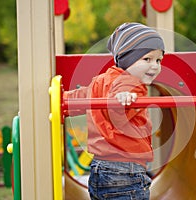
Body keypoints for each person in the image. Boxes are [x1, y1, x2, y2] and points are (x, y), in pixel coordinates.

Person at [64, 22, 165, 200]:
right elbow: (119, 105)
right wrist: (123, 98)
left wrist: (62, 99)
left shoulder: (101, 80)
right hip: (125, 173)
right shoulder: (131, 84)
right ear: (126, 58)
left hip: (99, 169)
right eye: (147, 59)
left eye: (158, 60)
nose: (155, 66)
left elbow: (80, 98)